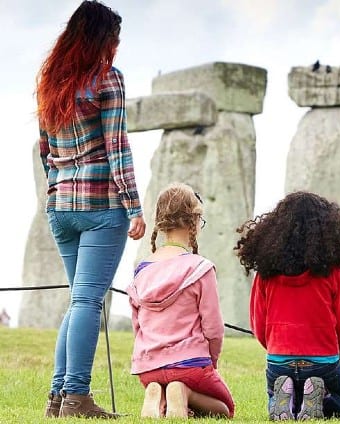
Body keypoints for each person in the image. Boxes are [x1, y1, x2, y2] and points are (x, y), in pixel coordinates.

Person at [37, 1, 146, 418]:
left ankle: (57, 397)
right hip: (101, 206)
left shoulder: (50, 82)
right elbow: (118, 148)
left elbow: (45, 152)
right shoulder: (108, 80)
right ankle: (77, 398)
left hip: (61, 207)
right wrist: (134, 207)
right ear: (105, 40)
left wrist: (55, 192)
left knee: (78, 302)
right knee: (87, 302)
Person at [235, 191, 340, 420]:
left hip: (279, 361)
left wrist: (276, 348)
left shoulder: (266, 273)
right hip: (323, 362)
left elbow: (258, 323)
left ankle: (284, 400)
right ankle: (321, 400)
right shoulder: (336, 271)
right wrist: (338, 355)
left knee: (279, 388)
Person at [126, 183, 234, 418]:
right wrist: (211, 361)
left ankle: (159, 395)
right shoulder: (200, 268)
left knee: (163, 385)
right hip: (190, 365)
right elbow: (213, 328)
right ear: (194, 221)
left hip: (150, 368)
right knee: (225, 409)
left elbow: (138, 325)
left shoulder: (141, 271)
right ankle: (184, 393)